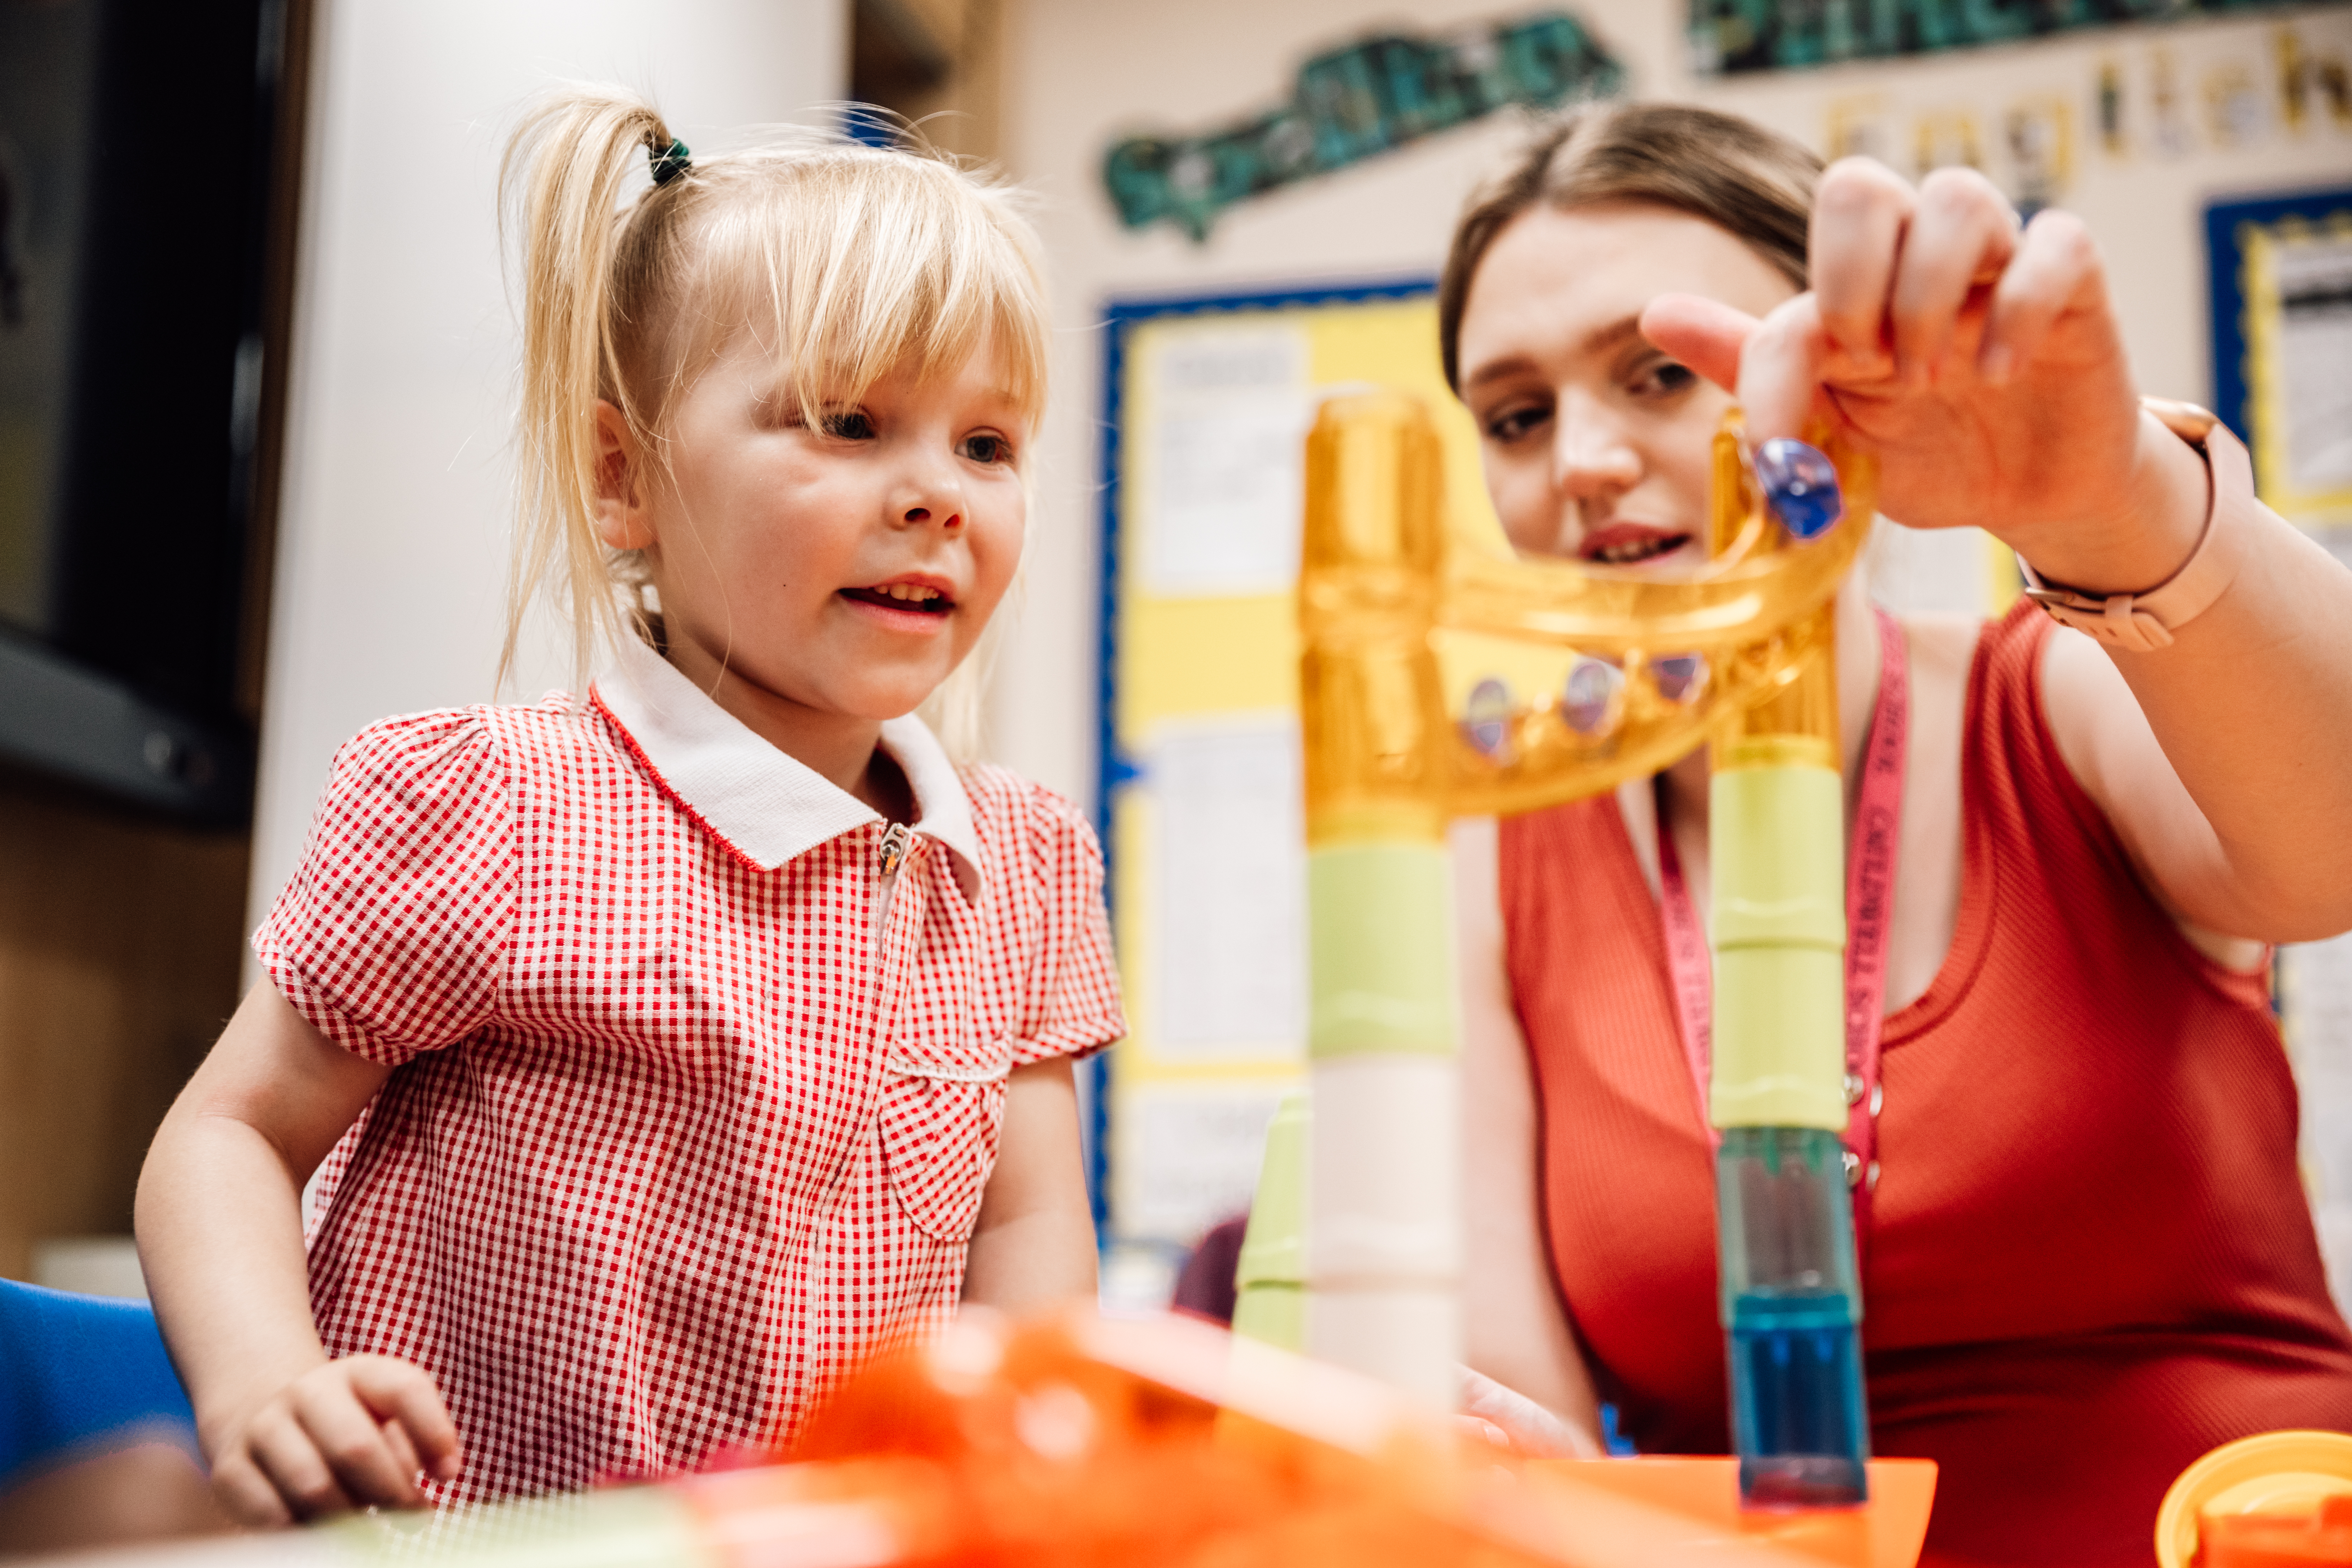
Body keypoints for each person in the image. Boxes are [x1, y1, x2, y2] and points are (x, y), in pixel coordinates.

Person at [133, 87, 1121, 1523]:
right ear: (622, 477)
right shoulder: (486, 803)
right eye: (849, 422)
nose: (937, 497)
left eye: (988, 444)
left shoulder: (1023, 863)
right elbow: (228, 1133)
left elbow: (1028, 1239)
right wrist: (265, 1380)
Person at [1446, 104, 2352, 1567]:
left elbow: (2334, 845)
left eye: (1662, 372)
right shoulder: (1492, 859)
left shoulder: (2050, 697)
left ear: (1845, 375)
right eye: (1516, 414)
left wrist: (2109, 499)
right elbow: (1509, 1421)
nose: (1587, 458)